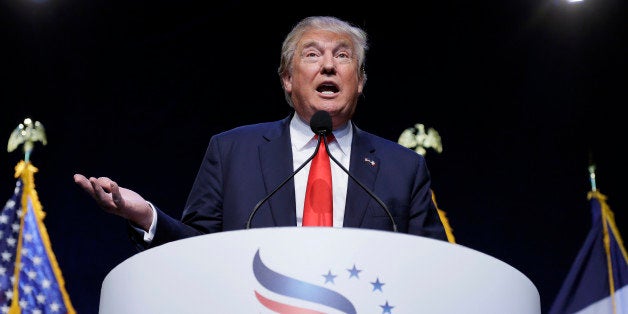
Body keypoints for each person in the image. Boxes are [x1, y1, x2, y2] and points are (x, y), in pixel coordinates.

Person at [73, 15, 447, 249]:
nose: (329, 66)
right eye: (313, 54)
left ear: (361, 82)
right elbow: (197, 253)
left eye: (344, 56)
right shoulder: (232, 151)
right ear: (287, 78)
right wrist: (147, 216)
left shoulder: (404, 168)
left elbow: (435, 267)